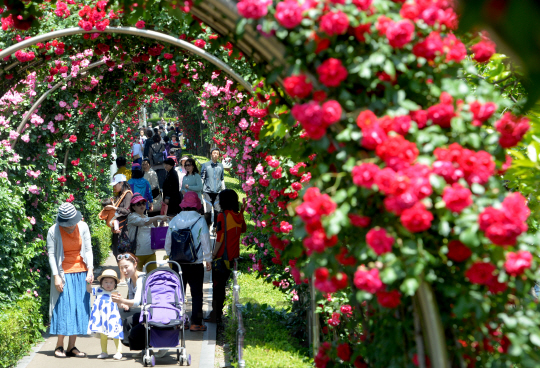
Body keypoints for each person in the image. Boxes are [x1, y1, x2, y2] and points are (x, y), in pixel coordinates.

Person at [47, 202, 93, 358]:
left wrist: (90, 270)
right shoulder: (53, 231)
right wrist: (56, 276)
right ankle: (59, 345)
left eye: (72, 223)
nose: (70, 227)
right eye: (67, 225)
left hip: (82, 272)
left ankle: (72, 347)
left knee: (79, 308)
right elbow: (52, 255)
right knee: (64, 308)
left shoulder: (83, 227)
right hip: (63, 273)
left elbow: (88, 249)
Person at [164, 192, 212, 331]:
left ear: (184, 205)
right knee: (197, 294)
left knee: (178, 292)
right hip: (195, 263)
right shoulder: (200, 220)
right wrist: (208, 259)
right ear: (196, 205)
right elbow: (205, 241)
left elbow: (168, 240)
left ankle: (179, 321)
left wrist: (170, 256)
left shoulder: (174, 220)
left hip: (177, 263)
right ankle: (195, 322)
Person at [205, 189, 246, 324]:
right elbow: (243, 229)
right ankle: (217, 314)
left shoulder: (222, 216)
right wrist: (242, 212)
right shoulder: (238, 215)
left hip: (221, 257)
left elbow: (220, 238)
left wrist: (212, 255)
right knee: (221, 286)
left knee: (217, 287)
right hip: (233, 258)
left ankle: (215, 316)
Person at [87, 269, 124, 360]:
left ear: (115, 284)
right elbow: (89, 290)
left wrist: (123, 305)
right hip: (101, 316)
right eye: (106, 282)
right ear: (101, 283)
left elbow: (120, 304)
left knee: (115, 333)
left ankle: (119, 352)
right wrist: (88, 283)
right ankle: (104, 352)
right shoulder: (98, 290)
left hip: (112, 316)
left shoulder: (115, 293)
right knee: (103, 334)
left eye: (111, 282)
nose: (108, 284)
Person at [127, 193, 169, 273]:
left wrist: (160, 225)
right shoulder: (132, 217)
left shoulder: (146, 217)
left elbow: (153, 232)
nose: (141, 205)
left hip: (150, 252)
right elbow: (144, 222)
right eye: (138, 204)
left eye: (143, 203)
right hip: (137, 253)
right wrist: (158, 217)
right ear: (133, 207)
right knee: (136, 279)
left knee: (153, 276)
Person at [111, 174, 133, 283]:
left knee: (123, 253)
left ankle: (125, 278)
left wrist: (115, 208)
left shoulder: (127, 195)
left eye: (115, 184)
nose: (114, 187)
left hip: (124, 229)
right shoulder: (120, 195)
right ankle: (123, 278)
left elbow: (128, 211)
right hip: (118, 228)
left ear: (121, 183)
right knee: (118, 252)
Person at [200, 148, 225, 232]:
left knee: (218, 210)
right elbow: (202, 178)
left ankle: (215, 227)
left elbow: (222, 179)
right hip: (207, 192)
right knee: (208, 211)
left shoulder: (221, 166)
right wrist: (200, 190)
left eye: (217, 153)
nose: (215, 155)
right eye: (214, 153)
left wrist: (223, 190)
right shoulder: (205, 165)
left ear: (218, 155)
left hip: (217, 192)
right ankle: (207, 227)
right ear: (211, 154)